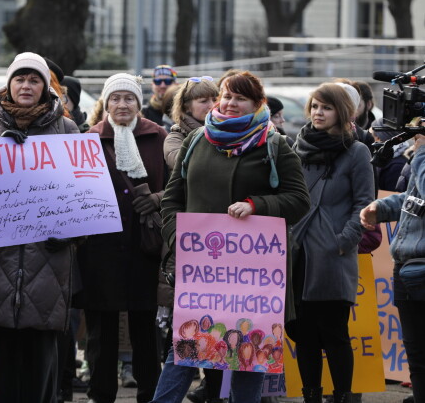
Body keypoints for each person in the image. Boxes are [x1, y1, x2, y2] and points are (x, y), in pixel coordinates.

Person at [158, 71, 310, 403]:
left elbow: (300, 200)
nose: (229, 103)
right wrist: (179, 241)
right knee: (183, 352)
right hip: (203, 273)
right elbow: (171, 201)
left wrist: (257, 205)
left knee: (247, 357)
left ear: (258, 104)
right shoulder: (196, 140)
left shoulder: (275, 144)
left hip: (253, 278)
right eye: (226, 95)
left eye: (239, 98)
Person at [0, 52, 80, 403]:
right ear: (9, 84)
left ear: (46, 87)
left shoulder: (66, 128)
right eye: (20, 79)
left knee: (42, 352)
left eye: (34, 80)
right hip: (1, 258)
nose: (26, 86)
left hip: (48, 258)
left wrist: (70, 234)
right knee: (7, 351)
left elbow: (85, 195)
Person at [75, 73, 166, 403]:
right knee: (102, 325)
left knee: (145, 323)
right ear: (106, 103)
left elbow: (175, 187)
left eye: (129, 98)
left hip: (145, 244)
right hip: (101, 246)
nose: (122, 104)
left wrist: (156, 198)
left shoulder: (158, 137)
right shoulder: (89, 140)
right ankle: (100, 393)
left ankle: (149, 392)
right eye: (116, 98)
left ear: (139, 104)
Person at [290, 83, 374, 403]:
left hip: (332, 256)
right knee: (304, 335)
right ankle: (311, 395)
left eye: (325, 107)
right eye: (314, 106)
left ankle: (343, 396)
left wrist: (343, 241)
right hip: (299, 253)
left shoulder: (357, 151)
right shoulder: (298, 147)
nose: (317, 113)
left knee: (335, 334)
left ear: (342, 111)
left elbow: (364, 204)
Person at [164, 76, 220, 403]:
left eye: (215, 98)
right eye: (202, 100)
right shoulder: (177, 138)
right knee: (190, 331)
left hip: (226, 249)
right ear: (186, 106)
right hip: (193, 247)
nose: (211, 105)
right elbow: (178, 167)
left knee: (224, 327)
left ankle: (213, 391)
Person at [360, 126, 425, 403]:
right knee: (418, 358)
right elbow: (415, 196)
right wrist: (382, 208)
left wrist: (422, 154)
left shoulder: (422, 154)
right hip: (408, 269)